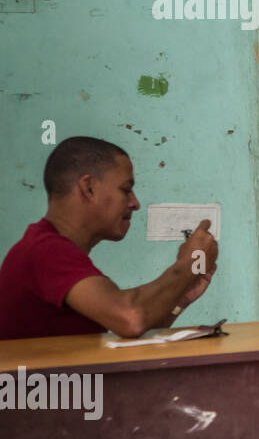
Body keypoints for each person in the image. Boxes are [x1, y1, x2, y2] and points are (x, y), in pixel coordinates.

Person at [0, 137, 218, 341]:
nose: (135, 203)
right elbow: (131, 318)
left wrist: (180, 297)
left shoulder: (54, 250)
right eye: (126, 190)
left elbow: (132, 334)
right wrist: (190, 264)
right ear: (89, 188)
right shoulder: (45, 251)